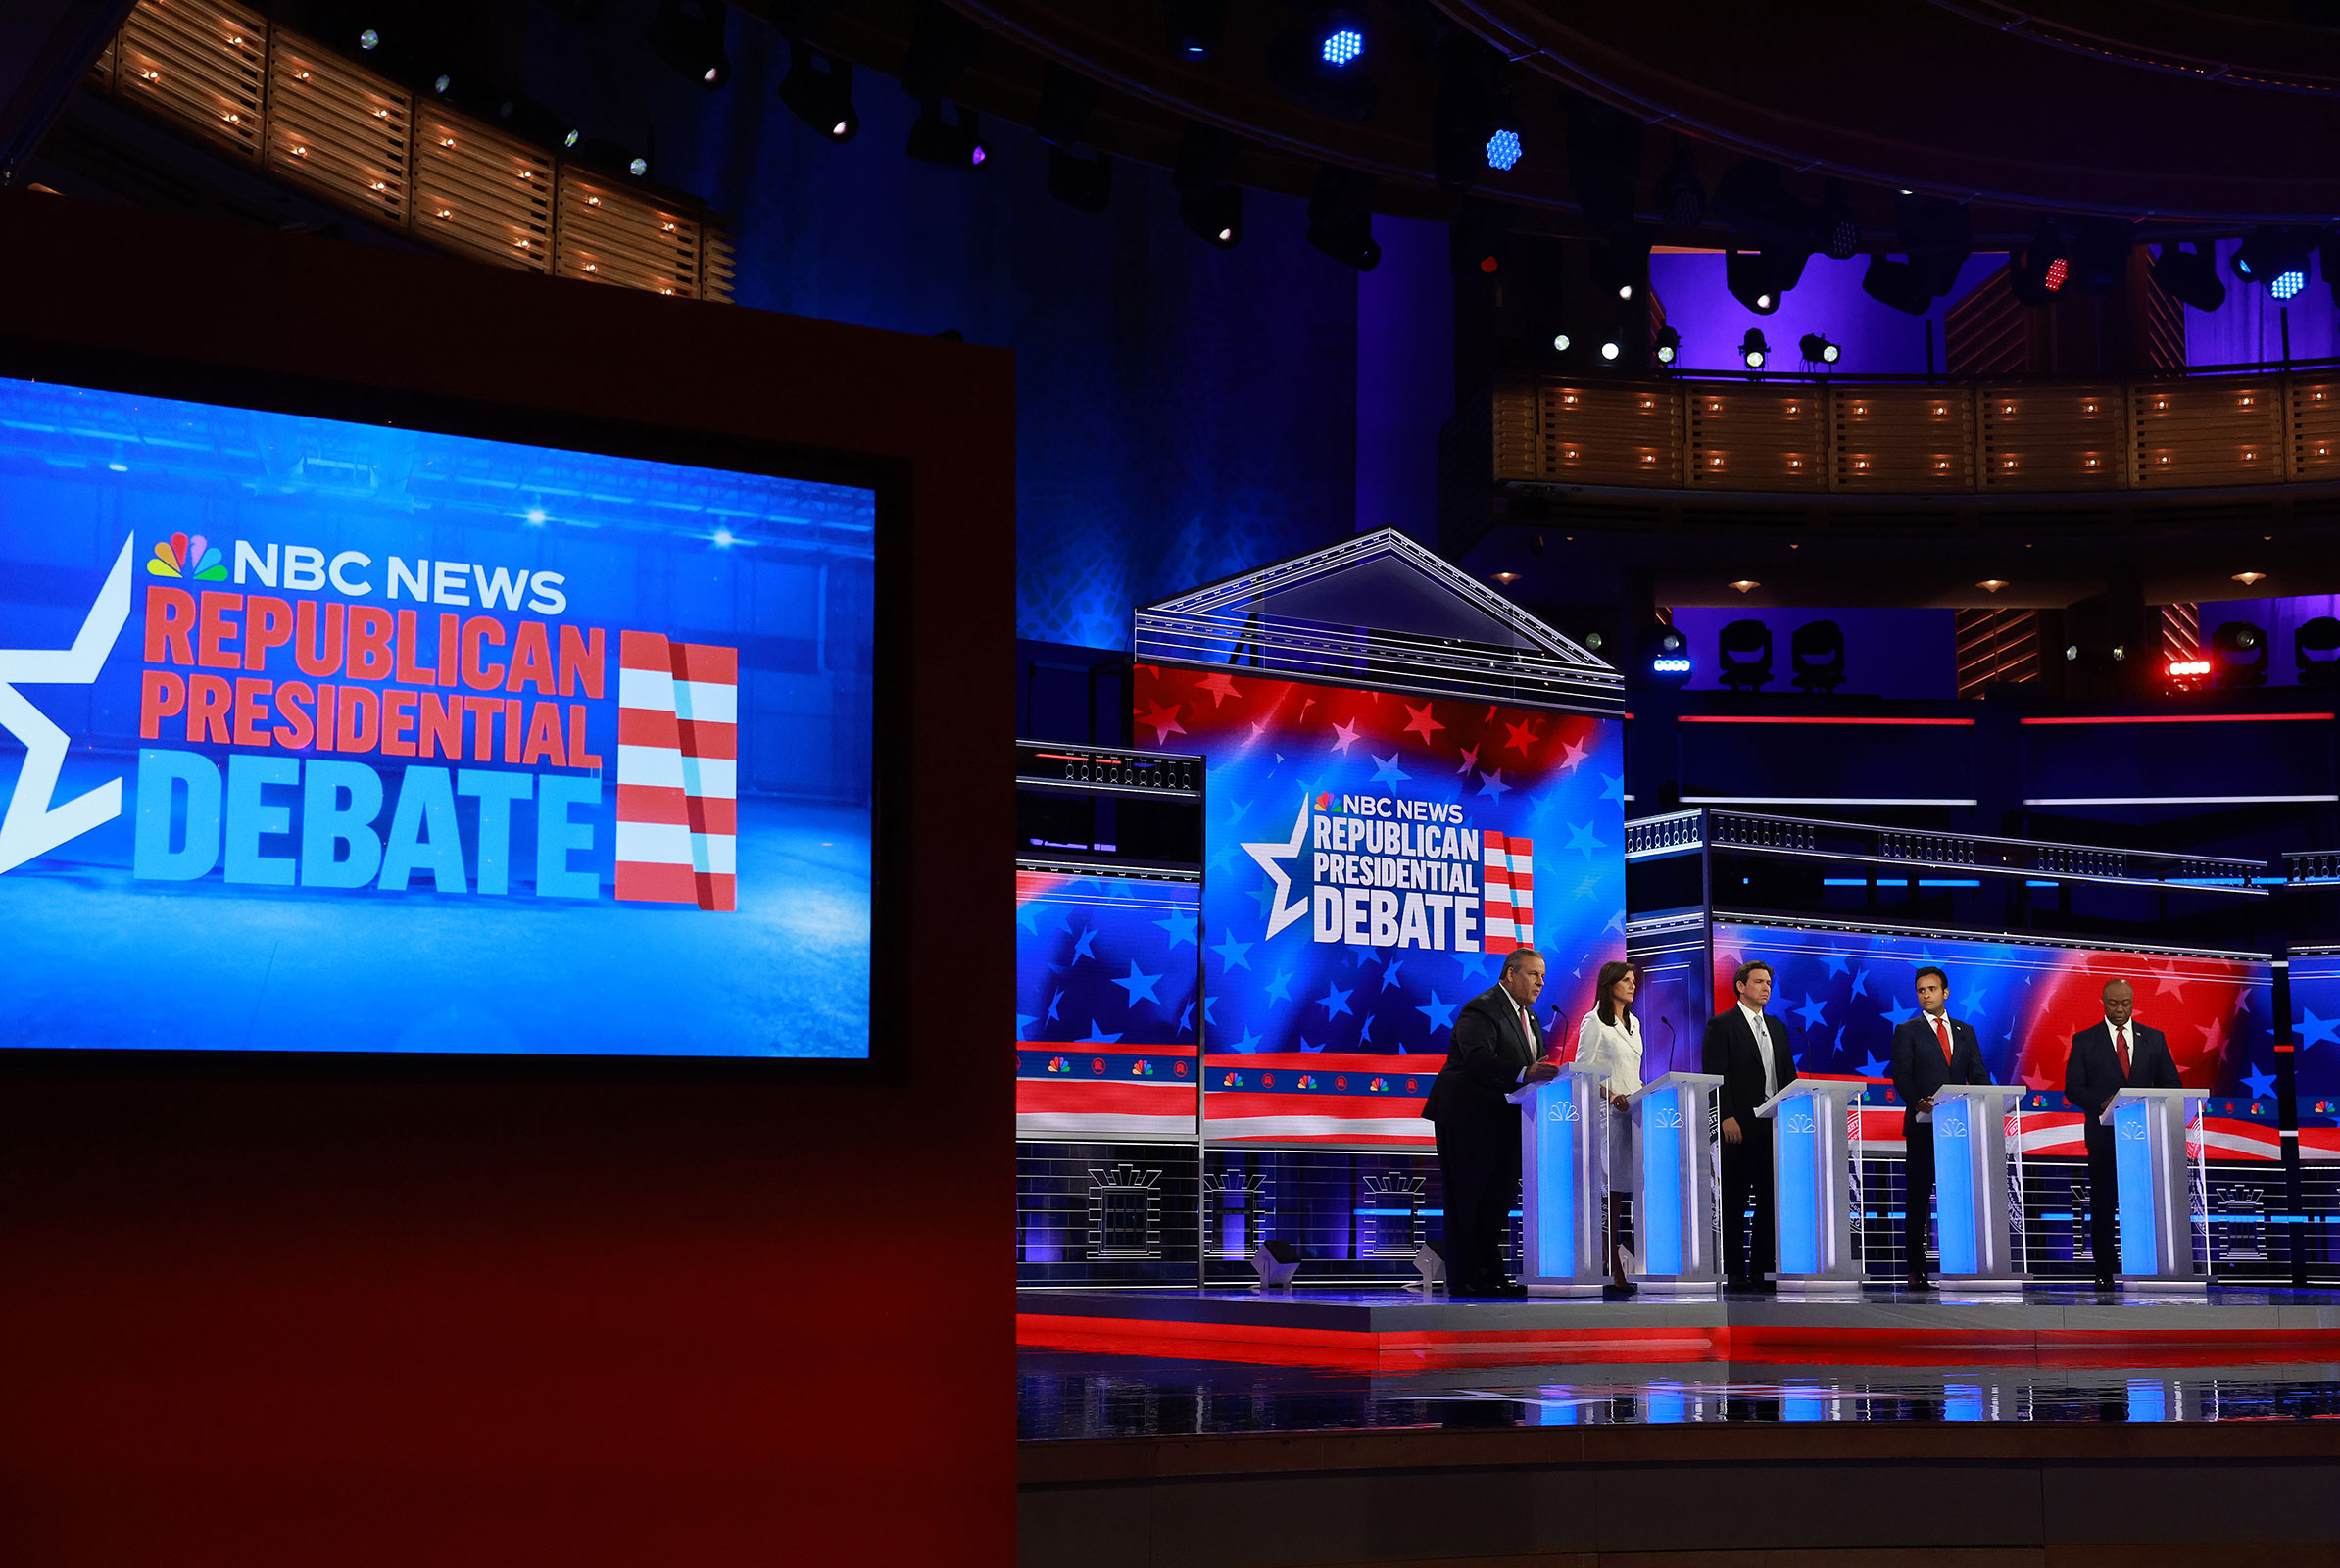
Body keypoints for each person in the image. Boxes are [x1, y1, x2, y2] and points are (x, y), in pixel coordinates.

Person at [1425, 948, 1557, 1298]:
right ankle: (1463, 1277)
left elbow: (1530, 1067)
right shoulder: (1481, 1008)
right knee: (1468, 1197)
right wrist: (1523, 1072)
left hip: (1508, 1118)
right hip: (1468, 1116)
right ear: (1510, 974)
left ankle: (1489, 1274)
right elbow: (1478, 1057)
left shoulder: (1529, 1017)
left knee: (1497, 1201)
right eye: (1533, 974)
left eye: (1543, 976)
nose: (1541, 982)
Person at [2064, 978, 2180, 1289]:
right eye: (2113, 1003)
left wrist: (2152, 1104)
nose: (2119, 1009)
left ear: (2133, 1002)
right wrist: (2101, 1104)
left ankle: (2147, 1265)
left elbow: (2172, 1085)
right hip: (2104, 1139)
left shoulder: (2153, 1039)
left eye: (2125, 1003)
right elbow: (2073, 1088)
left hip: (2145, 1139)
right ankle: (2105, 1269)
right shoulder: (2085, 1040)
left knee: (2144, 1202)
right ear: (2102, 1002)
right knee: (2103, 1204)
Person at [1888, 965, 1988, 1291]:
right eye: (1920, 990)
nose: (1925, 994)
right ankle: (1916, 1268)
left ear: (1945, 992)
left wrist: (1986, 1103)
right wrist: (1918, 1101)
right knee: (1917, 1200)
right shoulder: (1907, 1030)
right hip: (1922, 1128)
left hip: (1958, 1130)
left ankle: (1964, 1265)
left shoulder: (1965, 1031)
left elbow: (1979, 1075)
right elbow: (1901, 1075)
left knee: (1959, 1197)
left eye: (1931, 989)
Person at [1701, 958, 1797, 1291]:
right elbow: (1715, 1075)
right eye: (1759, 982)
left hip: (1772, 1126)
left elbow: (1788, 1077)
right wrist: (1725, 1114)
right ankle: (1735, 1272)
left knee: (1769, 1202)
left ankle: (1760, 1270)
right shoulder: (1722, 1024)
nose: (1765, 988)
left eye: (1769, 983)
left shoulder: (1779, 1028)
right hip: (1738, 1125)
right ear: (1741, 986)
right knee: (1736, 1201)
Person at [1573, 959, 1645, 1295]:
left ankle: (1618, 1262)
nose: (1632, 985)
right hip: (1607, 1115)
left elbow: (1633, 1070)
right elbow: (1583, 1070)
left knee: (1625, 1191)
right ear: (1609, 983)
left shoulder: (1635, 1024)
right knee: (1607, 1193)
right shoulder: (1594, 1022)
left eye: (1634, 980)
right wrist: (1612, 1092)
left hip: (1632, 1114)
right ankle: (1608, 1263)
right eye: (1625, 980)